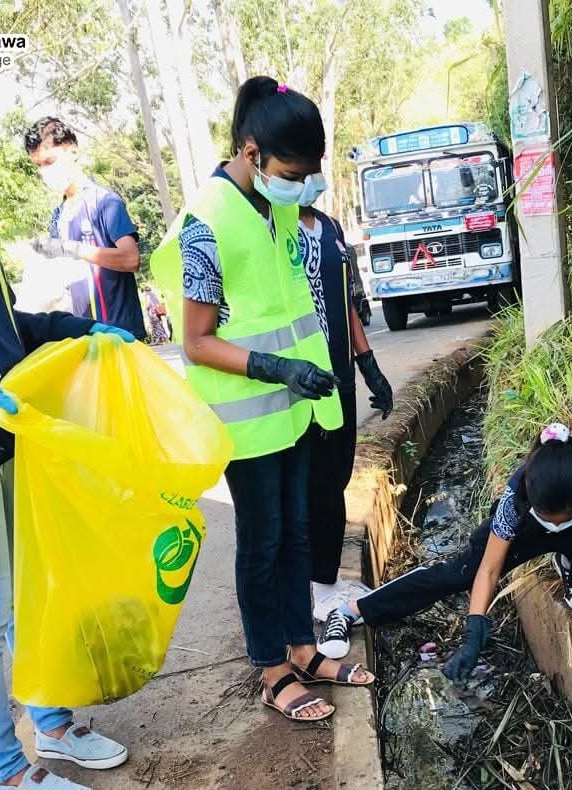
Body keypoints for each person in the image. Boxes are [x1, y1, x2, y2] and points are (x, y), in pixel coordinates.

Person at [0, 83, 131, 790]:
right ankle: (2, 767)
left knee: (30, 591)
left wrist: (73, 331)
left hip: (5, 422)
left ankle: (50, 722)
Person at [150, 76, 374, 724]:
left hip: (294, 409)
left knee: (297, 532)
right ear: (253, 154)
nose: (301, 187)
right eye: (292, 174)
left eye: (307, 175)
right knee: (263, 542)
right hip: (246, 420)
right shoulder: (206, 223)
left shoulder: (273, 208)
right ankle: (273, 669)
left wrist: (320, 373)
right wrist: (275, 367)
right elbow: (196, 341)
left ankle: (303, 647)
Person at [323, 422, 572, 685]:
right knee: (459, 574)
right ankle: (351, 609)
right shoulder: (515, 498)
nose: (555, 523)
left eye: (562, 518)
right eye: (549, 518)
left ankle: (568, 561)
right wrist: (473, 636)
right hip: (529, 534)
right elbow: (488, 570)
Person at [296, 203, 393, 624]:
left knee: (336, 478)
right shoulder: (275, 226)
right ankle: (316, 590)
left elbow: (345, 302)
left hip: (341, 377)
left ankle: (328, 581)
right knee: (315, 487)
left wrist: (369, 367)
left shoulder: (329, 226)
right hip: (305, 382)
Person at [24, 117, 147, 341]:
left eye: (50, 161)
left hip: (121, 336)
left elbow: (131, 259)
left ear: (73, 151)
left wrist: (73, 248)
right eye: (38, 166)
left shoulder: (105, 202)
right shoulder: (58, 216)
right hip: (85, 337)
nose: (45, 171)